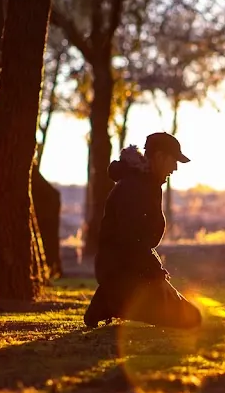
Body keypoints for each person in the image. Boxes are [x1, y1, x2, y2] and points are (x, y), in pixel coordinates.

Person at [83, 132, 203, 330]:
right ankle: (111, 300)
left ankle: (111, 299)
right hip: (124, 270)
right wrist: (155, 272)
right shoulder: (134, 188)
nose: (174, 168)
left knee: (192, 317)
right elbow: (130, 240)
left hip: (134, 269)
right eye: (173, 161)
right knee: (188, 319)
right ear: (159, 157)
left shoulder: (146, 185)